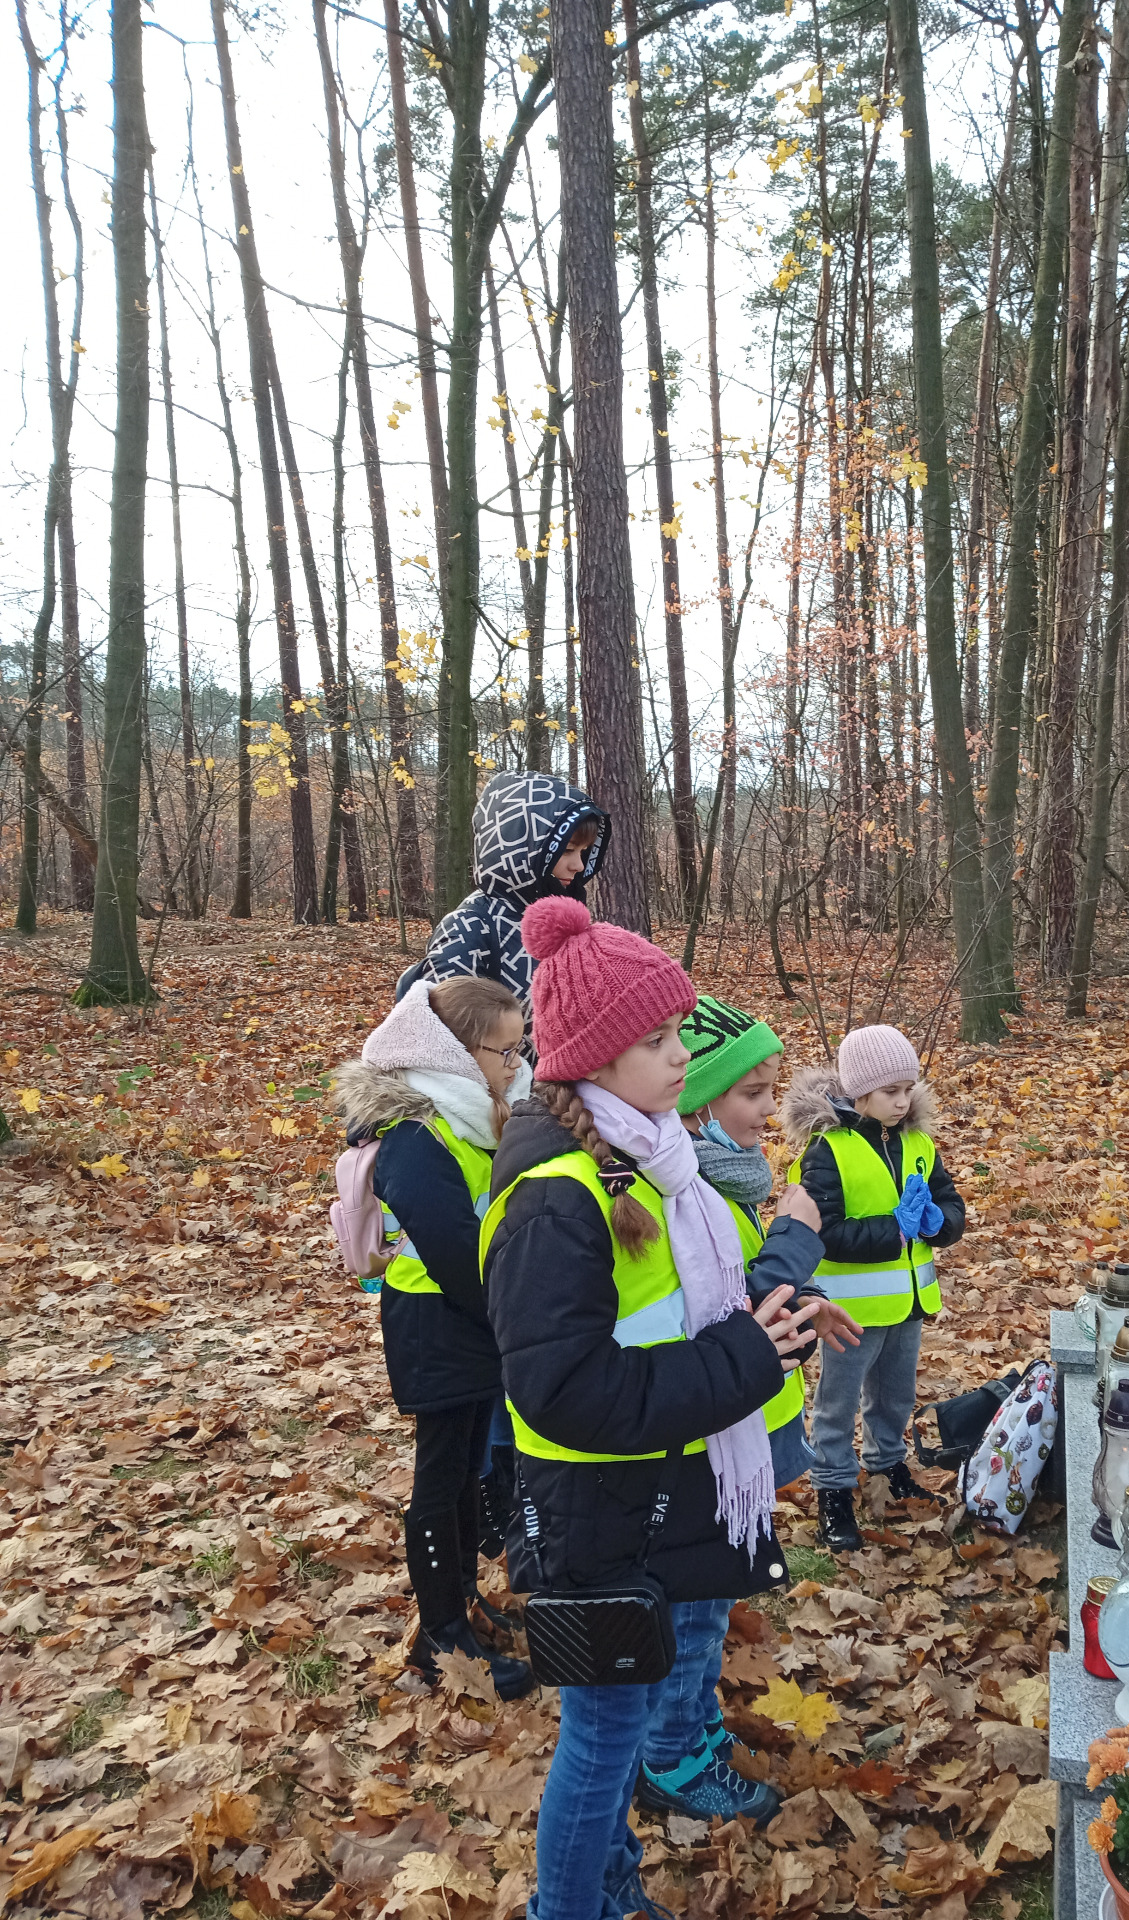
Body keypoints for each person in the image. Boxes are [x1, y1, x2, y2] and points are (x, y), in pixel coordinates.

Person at [481, 900, 817, 1920]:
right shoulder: (558, 1195)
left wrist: (768, 1316)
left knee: (617, 1728)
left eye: (677, 1034)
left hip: (650, 1496)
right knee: (601, 1736)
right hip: (596, 1510)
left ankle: (610, 1887)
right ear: (590, 1056)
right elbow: (568, 1390)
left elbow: (666, 1319)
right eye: (656, 1039)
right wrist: (746, 1357)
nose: (682, 1057)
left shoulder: (651, 1162)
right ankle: (569, 1906)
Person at [631, 995, 863, 1825]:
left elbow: (746, 1296)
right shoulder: (678, 1193)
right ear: (698, 1103)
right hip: (705, 1441)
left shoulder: (714, 1183)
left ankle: (688, 1728)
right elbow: (722, 1322)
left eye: (772, 1091)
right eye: (752, 1095)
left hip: (736, 1429)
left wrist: (805, 1299)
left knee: (713, 1601)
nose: (771, 1111)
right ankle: (670, 1759)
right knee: (694, 1608)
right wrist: (798, 1240)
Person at [333, 976, 533, 1697]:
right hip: (436, 1325)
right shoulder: (417, 1137)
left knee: (467, 1471)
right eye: (503, 1052)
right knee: (440, 1476)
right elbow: (453, 1248)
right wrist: (513, 1314)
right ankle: (438, 1635)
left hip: (472, 1325)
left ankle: (461, 1602)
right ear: (452, 1053)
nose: (515, 1066)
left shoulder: (467, 1117)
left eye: (519, 1050)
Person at [780, 1024, 966, 1553]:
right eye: (890, 1092)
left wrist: (937, 1222)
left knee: (894, 1395)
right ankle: (833, 1488)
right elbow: (825, 1232)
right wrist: (895, 1230)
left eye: (909, 1089)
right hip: (849, 1312)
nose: (902, 1102)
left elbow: (951, 1204)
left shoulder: (919, 1143)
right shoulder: (827, 1152)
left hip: (906, 1303)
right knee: (837, 1404)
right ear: (858, 1092)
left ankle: (887, 1466)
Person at [397, 771, 610, 1006]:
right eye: (567, 850)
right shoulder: (470, 926)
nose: (579, 866)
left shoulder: (562, 922)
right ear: (521, 847)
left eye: (584, 852)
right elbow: (444, 1033)